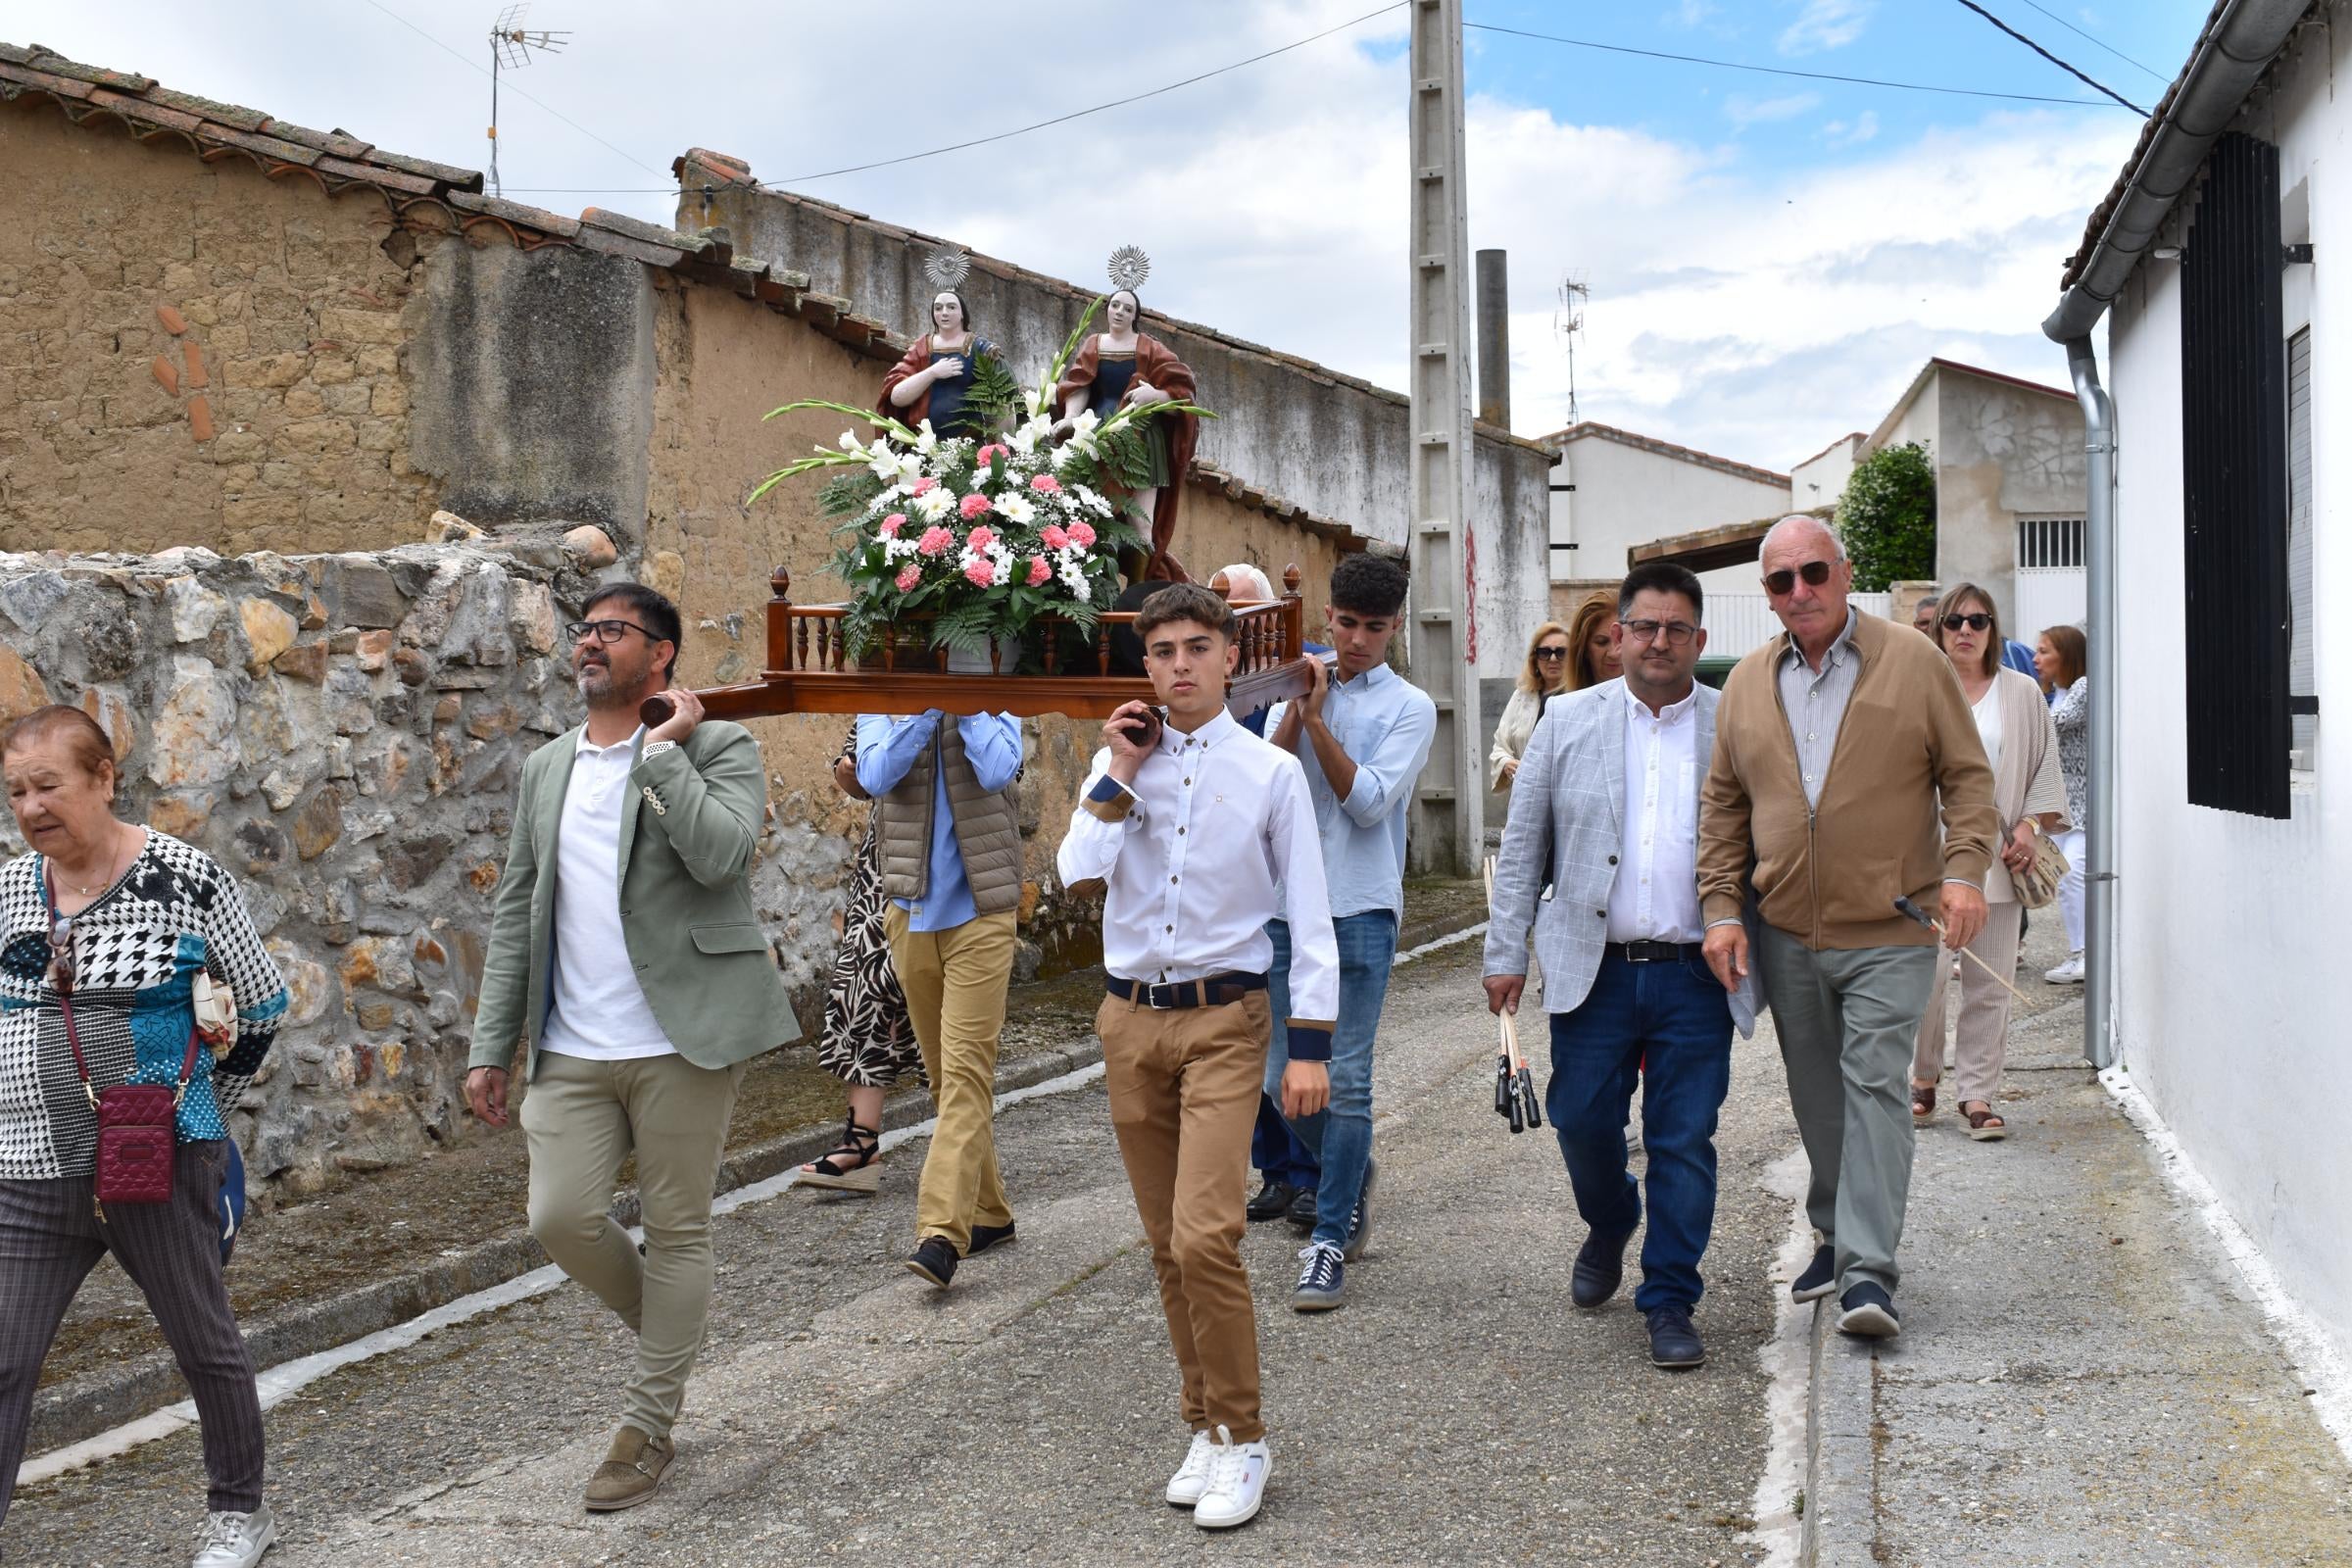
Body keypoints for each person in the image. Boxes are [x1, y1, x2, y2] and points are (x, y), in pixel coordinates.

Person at [467, 583, 799, 1512]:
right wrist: (492, 1044)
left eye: (612, 632)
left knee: (678, 1228)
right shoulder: (547, 769)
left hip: (681, 1040)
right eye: (584, 631)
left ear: (660, 655)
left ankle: (646, 1428)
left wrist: (662, 757)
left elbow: (721, 856)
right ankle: (674, 1330)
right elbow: (518, 908)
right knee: (558, 1218)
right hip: (571, 1044)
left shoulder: (718, 745)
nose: (589, 645)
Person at [1056, 581, 1339, 1531]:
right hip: (1130, 1021)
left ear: (1229, 658)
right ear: (1148, 665)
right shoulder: (1119, 764)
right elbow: (1074, 871)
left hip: (1227, 1020)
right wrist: (1119, 769)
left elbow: (1309, 912)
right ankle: (1204, 1424)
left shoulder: (1270, 773)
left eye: (1196, 648)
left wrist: (1309, 1049)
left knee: (1206, 1232)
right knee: (1163, 1243)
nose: (1179, 664)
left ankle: (1247, 1434)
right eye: (1163, 650)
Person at [1, 705, 289, 1567]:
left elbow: (262, 1006)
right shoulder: (12, 890)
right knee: (5, 1363)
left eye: (48, 785)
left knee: (204, 1345)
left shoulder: (184, 878)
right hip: (28, 1168)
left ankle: (239, 1515)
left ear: (103, 779)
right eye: (15, 791)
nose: (30, 806)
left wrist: (196, 1112)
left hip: (158, 1164)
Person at [1697, 515, 1997, 1341]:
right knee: (1818, 1095)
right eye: (1780, 581)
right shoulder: (1749, 686)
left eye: (1814, 573)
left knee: (1873, 1088)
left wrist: (1965, 874)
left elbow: (1968, 782)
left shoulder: (1916, 661)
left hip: (1892, 926)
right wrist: (1724, 913)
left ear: (1845, 571)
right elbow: (1723, 810)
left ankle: (1868, 1273)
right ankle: (1835, 1227)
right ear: (1766, 594)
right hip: (1788, 928)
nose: (1800, 592)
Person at [1484, 565, 1760, 1369]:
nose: (1659, 642)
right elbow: (1524, 844)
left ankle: (1670, 1297)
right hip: (1592, 970)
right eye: (1644, 627)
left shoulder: (1733, 723)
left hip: (1696, 974)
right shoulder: (1568, 720)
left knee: (1684, 1138)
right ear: (1618, 637)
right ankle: (1611, 1218)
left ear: (1699, 642)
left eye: (1677, 630)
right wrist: (1504, 953)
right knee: (1581, 1122)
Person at [1262, 555, 1437, 1311]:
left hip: (1362, 907)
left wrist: (1315, 720)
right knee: (1279, 1083)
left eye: (1374, 627)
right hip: (1284, 911)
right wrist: (1290, 711)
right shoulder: (1297, 686)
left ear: (1395, 626)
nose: (1358, 639)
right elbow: (1261, 786)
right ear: (1327, 616)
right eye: (1346, 622)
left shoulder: (1412, 707)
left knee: (1349, 1079)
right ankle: (1350, 1168)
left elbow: (1366, 804)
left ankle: (1327, 1240)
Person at [857, 703, 1024, 1290]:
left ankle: (940, 1233)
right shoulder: (885, 701)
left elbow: (1002, 768)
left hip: (982, 911)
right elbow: (874, 775)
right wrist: (924, 710)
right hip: (910, 910)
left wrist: (967, 704)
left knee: (966, 1076)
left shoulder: (995, 697)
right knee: (945, 1079)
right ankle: (992, 1214)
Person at [1907, 586, 2068, 1141]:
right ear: (1938, 629)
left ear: (1994, 628)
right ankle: (1921, 1078)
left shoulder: (2021, 692)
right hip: (1926, 858)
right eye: (1954, 620)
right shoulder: (1915, 689)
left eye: (1979, 620)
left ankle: (1977, 1093)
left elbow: (2046, 766)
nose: (1966, 630)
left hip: (1998, 862)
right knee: (1921, 981)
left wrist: (2028, 826)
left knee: (1989, 983)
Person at [1209, 564, 1325, 1223]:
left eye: (1248, 612)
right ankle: (1275, 1173)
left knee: (1290, 1044)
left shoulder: (1291, 673)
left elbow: (1276, 766)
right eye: (1228, 613)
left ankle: (1311, 1173)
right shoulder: (1215, 687)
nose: (1241, 627)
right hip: (1233, 896)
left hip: (1284, 886)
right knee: (1252, 1053)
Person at [796, 729, 922, 1194]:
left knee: (945, 1003)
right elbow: (852, 774)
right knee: (865, 991)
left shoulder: (980, 689)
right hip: (885, 863)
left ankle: (968, 1145)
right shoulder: (882, 691)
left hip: (953, 859)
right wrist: (849, 773)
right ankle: (861, 1142)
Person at [1054, 287, 1200, 582]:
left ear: (1135, 316)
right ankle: (1097, 591)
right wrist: (1071, 418)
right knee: (1093, 519)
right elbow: (1079, 384)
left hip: (1143, 442)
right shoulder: (1093, 345)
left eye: (1127, 309)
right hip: (1098, 438)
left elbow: (1182, 394)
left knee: (1140, 523)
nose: (1119, 312)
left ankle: (1139, 593)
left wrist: (1155, 394)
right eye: (1115, 305)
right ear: (1107, 309)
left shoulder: (1150, 349)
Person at [2036, 625, 2089, 983]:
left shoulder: (2082, 688)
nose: (2036, 659)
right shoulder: (2057, 692)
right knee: (2060, 878)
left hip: (2085, 804)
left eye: (2044, 652)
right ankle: (2078, 952)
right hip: (2061, 806)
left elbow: (2053, 726)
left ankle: (2086, 953)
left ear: (2065, 656)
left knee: (2072, 877)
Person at [878, 288, 997, 439]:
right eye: (938, 308)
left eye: (951, 307)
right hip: (925, 442)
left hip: (970, 441)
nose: (944, 313)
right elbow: (897, 397)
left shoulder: (980, 348)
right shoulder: (921, 349)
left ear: (962, 314)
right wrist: (933, 372)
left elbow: (1003, 399)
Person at [1492, 620, 1573, 791]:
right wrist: (1506, 763)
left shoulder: (1581, 695)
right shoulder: (1522, 697)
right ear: (1534, 659)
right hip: (1527, 794)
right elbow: (1500, 745)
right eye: (1544, 652)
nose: (1552, 658)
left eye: (1561, 653)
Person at [1562, 590, 1625, 695]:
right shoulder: (1557, 706)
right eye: (1601, 642)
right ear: (1583, 647)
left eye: (1620, 640)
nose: (1613, 653)